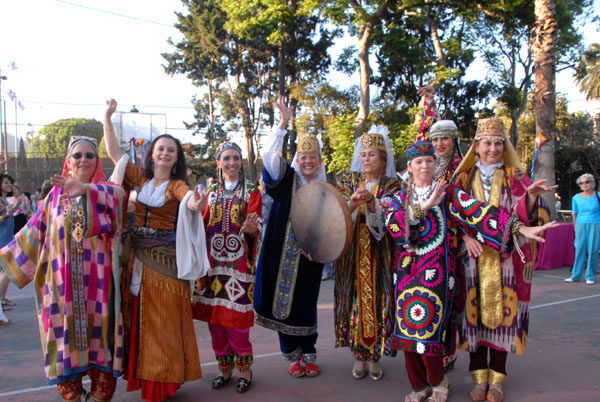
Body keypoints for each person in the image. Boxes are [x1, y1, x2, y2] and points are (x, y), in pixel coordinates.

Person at [384, 140, 556, 402]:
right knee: (406, 328)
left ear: (435, 163)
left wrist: (519, 228)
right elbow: (395, 227)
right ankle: (418, 386)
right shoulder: (397, 198)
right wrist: (427, 204)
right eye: (419, 162)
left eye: (429, 160)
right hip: (406, 273)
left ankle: (439, 380)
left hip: (438, 271)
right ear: (409, 167)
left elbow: (481, 212)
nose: (425, 166)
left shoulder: (449, 192)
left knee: (429, 324)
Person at [0, 136, 126, 401]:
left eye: (89, 155)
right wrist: (8, 263)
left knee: (103, 370)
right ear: (68, 162)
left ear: (97, 161)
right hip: (60, 290)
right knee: (65, 368)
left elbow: (119, 201)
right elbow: (32, 235)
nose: (83, 159)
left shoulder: (107, 190)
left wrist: (85, 190)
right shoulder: (53, 198)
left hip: (99, 290)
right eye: (77, 155)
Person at [104, 98, 208, 402]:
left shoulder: (176, 185)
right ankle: (153, 381)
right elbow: (115, 155)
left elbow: (188, 199)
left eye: (170, 150)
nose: (164, 153)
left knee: (163, 325)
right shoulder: (141, 178)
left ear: (175, 159)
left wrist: (196, 203)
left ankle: (162, 385)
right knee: (140, 322)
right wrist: (107, 120)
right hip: (136, 260)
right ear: (152, 154)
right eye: (160, 148)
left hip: (166, 264)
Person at [453, 118, 555, 402]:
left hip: (507, 258)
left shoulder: (515, 175)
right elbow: (451, 214)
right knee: (472, 318)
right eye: (487, 142)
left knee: (505, 318)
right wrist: (464, 237)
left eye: (499, 142)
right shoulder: (463, 179)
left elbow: (531, 210)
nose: (493, 148)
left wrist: (532, 198)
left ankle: (497, 380)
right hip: (472, 259)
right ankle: (478, 378)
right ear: (476, 146)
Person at [254, 95, 326, 378]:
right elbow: (270, 157)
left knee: (306, 303)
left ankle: (309, 352)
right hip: (279, 252)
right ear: (298, 159)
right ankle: (293, 357)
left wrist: (321, 250)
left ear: (319, 161)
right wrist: (282, 124)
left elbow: (332, 225)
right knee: (280, 302)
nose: (307, 162)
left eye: (312, 158)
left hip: (311, 256)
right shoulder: (286, 179)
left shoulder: (324, 189)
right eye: (303, 157)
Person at [192, 140, 262, 393]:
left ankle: (244, 371)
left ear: (241, 161)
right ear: (218, 163)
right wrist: (194, 212)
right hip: (211, 268)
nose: (231, 163)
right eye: (226, 158)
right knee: (216, 324)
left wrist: (253, 230)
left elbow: (256, 221)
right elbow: (199, 224)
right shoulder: (210, 191)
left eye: (235, 158)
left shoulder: (252, 190)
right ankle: (224, 370)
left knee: (237, 324)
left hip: (239, 267)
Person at [335, 125, 400, 380]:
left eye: (372, 154)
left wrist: (373, 203)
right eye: (363, 155)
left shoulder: (393, 185)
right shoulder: (347, 181)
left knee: (380, 301)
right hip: (352, 255)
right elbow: (337, 215)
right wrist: (353, 202)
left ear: (383, 159)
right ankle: (358, 355)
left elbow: (395, 219)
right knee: (352, 301)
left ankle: (374, 356)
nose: (366, 159)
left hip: (380, 254)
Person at [565, 173, 600, 285]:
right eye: (581, 182)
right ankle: (576, 275)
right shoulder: (575, 198)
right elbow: (574, 214)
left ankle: (590, 276)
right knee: (579, 249)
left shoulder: (598, 195)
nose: (584, 184)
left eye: (587, 182)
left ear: (592, 183)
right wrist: (575, 228)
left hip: (595, 224)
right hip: (580, 225)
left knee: (593, 250)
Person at [0, 174, 18, 314]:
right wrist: (6, 215)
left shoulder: (5, 200)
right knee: (7, 269)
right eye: (6, 183)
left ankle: (2, 299)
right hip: (2, 238)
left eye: (10, 183)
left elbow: (14, 206)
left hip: (8, 236)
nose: (9, 185)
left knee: (5, 270)